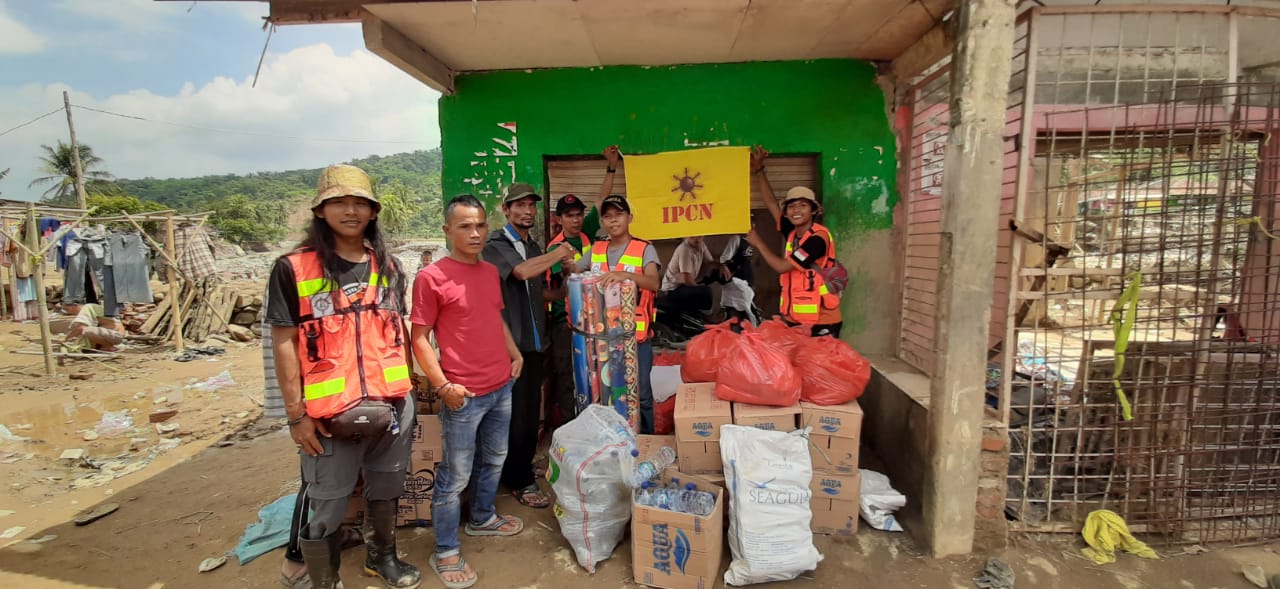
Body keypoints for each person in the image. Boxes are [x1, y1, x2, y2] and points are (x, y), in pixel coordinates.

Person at [268, 164, 420, 589]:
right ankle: (324, 579)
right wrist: (296, 415)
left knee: (387, 486)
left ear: (373, 212)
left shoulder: (390, 268)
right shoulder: (293, 269)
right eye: (340, 202)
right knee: (329, 501)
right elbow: (284, 343)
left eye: (360, 203)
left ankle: (381, 558)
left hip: (392, 405)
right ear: (321, 210)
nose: (350, 211)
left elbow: (396, 334)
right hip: (327, 415)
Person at [411, 194, 526, 589]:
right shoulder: (431, 277)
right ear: (447, 230)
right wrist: (442, 385)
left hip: (501, 385)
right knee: (455, 474)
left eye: (480, 225)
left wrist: (514, 355)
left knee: (495, 458)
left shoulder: (489, 271)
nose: (475, 233)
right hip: (464, 395)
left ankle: (481, 518)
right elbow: (420, 338)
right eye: (465, 226)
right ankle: (445, 548)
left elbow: (495, 317)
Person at [482, 182, 573, 509]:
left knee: (529, 411)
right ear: (506, 210)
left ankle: (518, 466)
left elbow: (540, 292)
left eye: (531, 206)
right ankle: (518, 480)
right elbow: (520, 274)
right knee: (515, 414)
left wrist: (565, 281)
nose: (527, 211)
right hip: (510, 346)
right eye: (519, 206)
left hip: (535, 344)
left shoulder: (533, 246)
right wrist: (558, 252)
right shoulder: (495, 244)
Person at [580, 188, 662, 434]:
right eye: (607, 216)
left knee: (642, 394)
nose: (613, 220)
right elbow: (574, 269)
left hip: (635, 337)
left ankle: (646, 441)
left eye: (619, 214)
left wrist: (625, 275)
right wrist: (563, 261)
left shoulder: (644, 248)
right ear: (602, 222)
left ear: (629, 218)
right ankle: (611, 440)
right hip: (601, 336)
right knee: (605, 392)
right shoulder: (595, 249)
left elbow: (653, 282)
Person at [745, 145, 843, 337]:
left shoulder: (817, 240)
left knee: (818, 367)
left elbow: (782, 267)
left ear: (814, 210)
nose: (796, 210)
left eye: (803, 205)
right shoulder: (793, 232)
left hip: (822, 321)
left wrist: (759, 244)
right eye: (792, 206)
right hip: (796, 319)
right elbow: (772, 203)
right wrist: (759, 170)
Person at [544, 194, 591, 426]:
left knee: (591, 371)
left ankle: (589, 418)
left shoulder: (586, 238)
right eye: (569, 216)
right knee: (566, 373)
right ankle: (568, 423)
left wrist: (612, 169)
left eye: (579, 214)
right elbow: (559, 286)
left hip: (591, 318)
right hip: (565, 320)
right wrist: (568, 270)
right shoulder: (555, 248)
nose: (576, 220)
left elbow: (602, 202)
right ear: (559, 219)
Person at [659, 235, 724, 316]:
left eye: (699, 237)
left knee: (716, 275)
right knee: (706, 291)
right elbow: (686, 278)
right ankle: (707, 318)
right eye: (693, 237)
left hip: (685, 285)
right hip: (672, 291)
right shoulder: (684, 249)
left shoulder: (701, 245)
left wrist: (722, 266)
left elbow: (710, 262)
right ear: (687, 237)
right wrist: (699, 288)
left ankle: (723, 306)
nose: (696, 240)